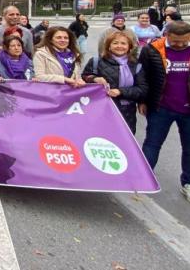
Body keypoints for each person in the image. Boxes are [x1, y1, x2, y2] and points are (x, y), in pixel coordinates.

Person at [138, 21, 190, 202]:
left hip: (187, 110)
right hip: (160, 107)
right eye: (176, 41)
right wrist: (143, 100)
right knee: (152, 144)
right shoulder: (152, 50)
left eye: (184, 41)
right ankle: (143, 177)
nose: (180, 45)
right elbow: (143, 77)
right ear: (166, 35)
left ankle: (188, 183)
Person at [81, 31, 147, 134]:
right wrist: (94, 79)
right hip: (99, 110)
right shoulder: (96, 61)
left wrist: (121, 91)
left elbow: (142, 89)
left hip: (126, 112)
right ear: (109, 46)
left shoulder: (136, 65)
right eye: (115, 43)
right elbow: (84, 78)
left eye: (123, 43)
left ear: (129, 47)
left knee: (124, 142)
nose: (119, 46)